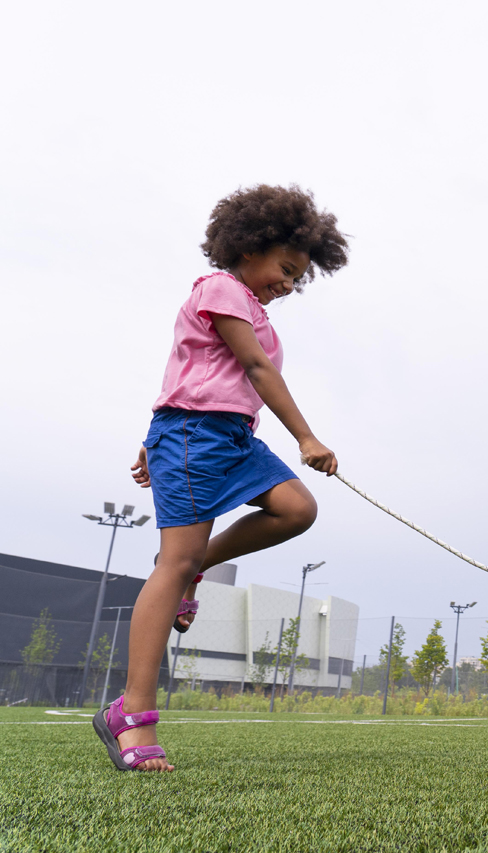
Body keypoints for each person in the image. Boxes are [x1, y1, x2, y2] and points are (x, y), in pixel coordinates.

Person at [93, 185, 349, 772]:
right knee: (173, 562)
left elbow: (195, 368)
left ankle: (195, 568)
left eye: (298, 277)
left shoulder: (254, 310)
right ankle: (132, 713)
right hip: (195, 435)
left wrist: (155, 436)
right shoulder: (220, 287)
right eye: (285, 269)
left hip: (230, 438)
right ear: (250, 247)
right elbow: (253, 368)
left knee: (296, 509)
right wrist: (306, 437)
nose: (289, 284)